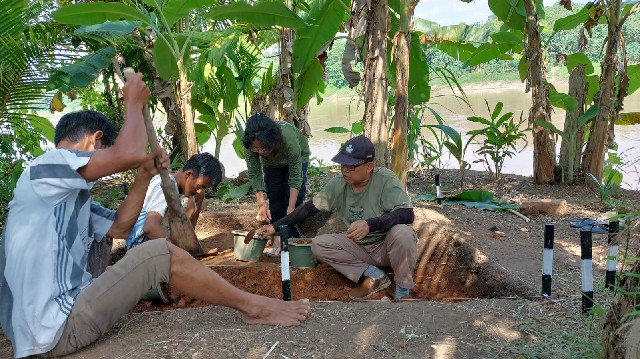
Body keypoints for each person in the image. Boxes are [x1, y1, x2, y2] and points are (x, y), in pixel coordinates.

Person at [0, 72, 310, 358]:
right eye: (105, 151)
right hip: (53, 330)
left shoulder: (71, 198)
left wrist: (142, 174)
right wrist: (134, 101)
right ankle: (256, 307)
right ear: (94, 141)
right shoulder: (45, 167)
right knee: (159, 252)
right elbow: (130, 156)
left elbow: (121, 227)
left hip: (50, 327)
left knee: (106, 242)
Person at [256, 135, 417, 301]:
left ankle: (403, 291)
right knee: (318, 245)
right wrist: (275, 227)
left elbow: (407, 213)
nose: (345, 170)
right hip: (359, 248)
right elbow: (309, 208)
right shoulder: (339, 183)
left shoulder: (385, 180)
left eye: (351, 166)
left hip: (386, 247)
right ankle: (374, 275)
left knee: (403, 233)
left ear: (369, 166)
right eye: (343, 164)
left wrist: (370, 225)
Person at [242, 113, 310, 257]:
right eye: (256, 148)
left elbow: (296, 177)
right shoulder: (250, 145)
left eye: (263, 148)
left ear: (273, 141)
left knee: (294, 201)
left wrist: (291, 208)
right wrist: (262, 205)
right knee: (275, 194)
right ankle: (277, 238)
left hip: (298, 157)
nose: (260, 151)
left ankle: (290, 239)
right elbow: (255, 175)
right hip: (272, 164)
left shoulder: (288, 139)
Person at [125, 152, 223, 250]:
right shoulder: (165, 183)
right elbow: (150, 227)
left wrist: (192, 250)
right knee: (186, 203)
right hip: (141, 243)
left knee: (195, 198)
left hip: (157, 242)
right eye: (199, 186)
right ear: (188, 174)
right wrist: (178, 254)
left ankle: (182, 248)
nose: (199, 191)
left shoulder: (183, 187)